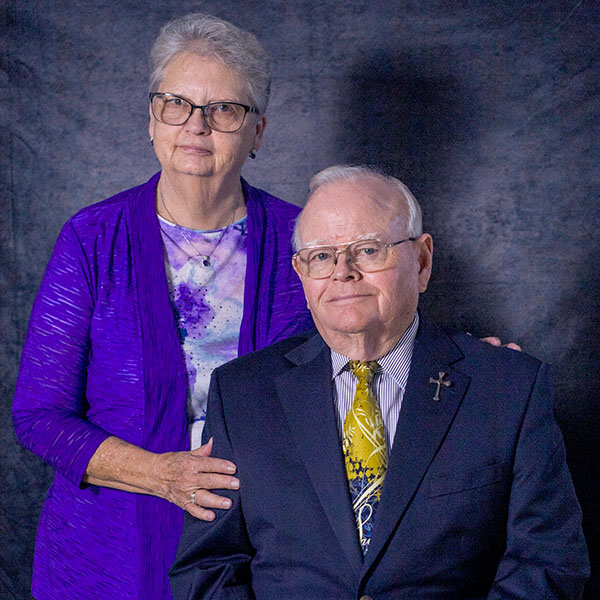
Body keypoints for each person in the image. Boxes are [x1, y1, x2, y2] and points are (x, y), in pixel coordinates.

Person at [171, 165, 590, 599]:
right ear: (301, 273)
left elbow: (547, 564)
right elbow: (209, 567)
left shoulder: (508, 388)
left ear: (422, 261)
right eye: (321, 256)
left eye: (369, 250)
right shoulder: (241, 394)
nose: (343, 272)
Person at [12, 13, 314, 600]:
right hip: (107, 552)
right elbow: (39, 416)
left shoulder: (305, 240)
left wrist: (456, 361)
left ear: (257, 132)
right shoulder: (91, 239)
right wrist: (162, 475)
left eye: (224, 109)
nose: (197, 125)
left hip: (267, 546)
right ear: (153, 120)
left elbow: (365, 345)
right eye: (177, 103)